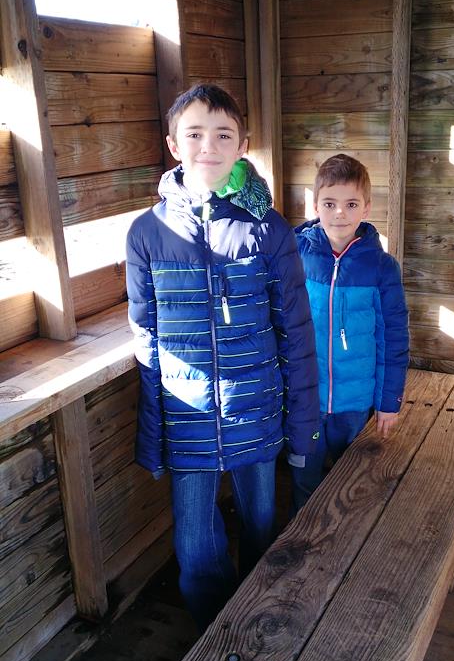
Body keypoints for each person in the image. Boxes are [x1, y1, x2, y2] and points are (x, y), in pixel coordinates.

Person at [126, 83, 319, 629]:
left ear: (243, 145)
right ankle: (213, 637)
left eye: (223, 135)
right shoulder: (146, 232)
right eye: (193, 134)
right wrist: (154, 434)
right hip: (185, 417)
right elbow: (146, 337)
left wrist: (303, 425)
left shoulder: (268, 228)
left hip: (256, 410)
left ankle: (261, 623)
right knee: (194, 544)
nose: (207, 146)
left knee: (261, 527)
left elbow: (295, 330)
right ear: (173, 144)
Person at [291, 153, 409, 512]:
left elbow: (393, 340)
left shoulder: (382, 268)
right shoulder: (296, 255)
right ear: (315, 205)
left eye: (351, 204)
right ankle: (300, 542)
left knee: (353, 485)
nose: (340, 213)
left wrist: (388, 403)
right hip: (305, 401)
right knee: (304, 483)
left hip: (356, 404)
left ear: (366, 208)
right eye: (329, 203)